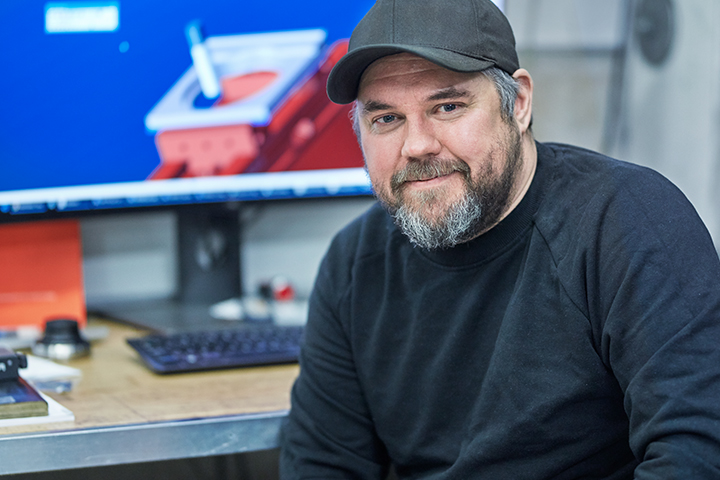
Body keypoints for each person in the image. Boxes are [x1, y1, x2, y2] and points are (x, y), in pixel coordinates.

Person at [279, 0, 720, 478]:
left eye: (448, 106)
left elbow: (697, 451)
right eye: (386, 119)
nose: (417, 145)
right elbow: (322, 465)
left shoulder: (627, 220)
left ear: (520, 103)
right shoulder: (353, 264)